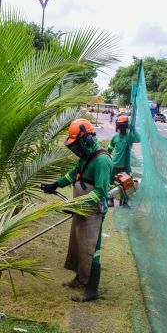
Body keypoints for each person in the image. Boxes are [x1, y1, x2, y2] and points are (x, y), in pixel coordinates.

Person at [41, 118, 113, 302]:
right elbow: (74, 174)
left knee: (91, 247)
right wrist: (55, 184)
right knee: (77, 243)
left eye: (79, 144)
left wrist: (76, 205)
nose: (77, 148)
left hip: (93, 211)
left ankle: (92, 289)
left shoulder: (102, 160)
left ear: (87, 140)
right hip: (81, 208)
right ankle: (80, 278)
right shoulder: (86, 157)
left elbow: (100, 192)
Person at [107, 115, 135, 207]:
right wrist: (107, 159)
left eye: (124, 126)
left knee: (126, 185)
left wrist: (132, 128)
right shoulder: (115, 138)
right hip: (114, 165)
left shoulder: (129, 138)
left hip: (125, 167)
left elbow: (139, 138)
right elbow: (109, 151)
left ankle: (125, 202)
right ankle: (110, 200)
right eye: (120, 126)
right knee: (110, 184)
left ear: (127, 127)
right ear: (117, 127)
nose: (122, 128)